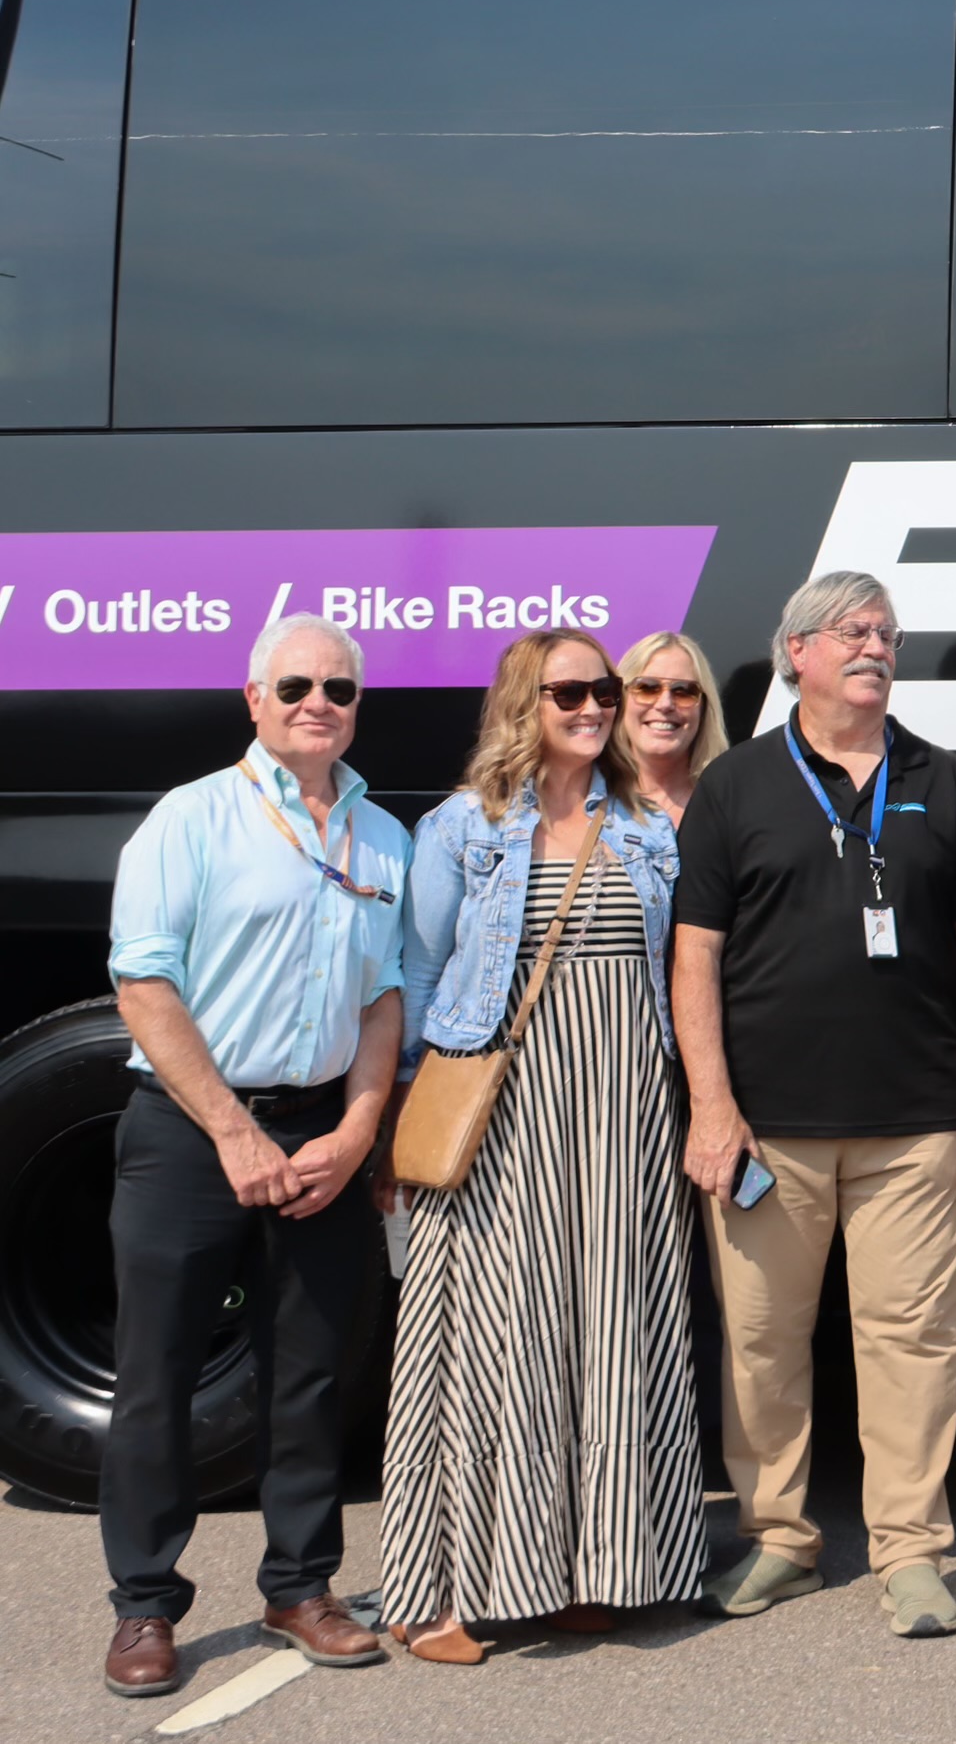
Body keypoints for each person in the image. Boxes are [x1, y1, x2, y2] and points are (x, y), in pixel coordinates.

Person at [673, 571, 956, 1640]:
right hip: (767, 1128)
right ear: (796, 654)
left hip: (917, 1126)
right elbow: (694, 959)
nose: (874, 646)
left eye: (886, 632)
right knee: (762, 1341)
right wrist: (711, 1105)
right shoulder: (735, 786)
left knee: (912, 1341)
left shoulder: (943, 782)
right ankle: (780, 1537)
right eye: (850, 631)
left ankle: (909, 1553)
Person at [99, 614, 406, 1698]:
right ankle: (144, 1607)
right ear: (253, 698)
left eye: (337, 687)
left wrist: (357, 1130)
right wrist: (232, 1131)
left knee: (311, 1378)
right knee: (158, 1381)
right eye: (295, 686)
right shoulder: (190, 820)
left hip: (321, 1129)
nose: (317, 701)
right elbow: (143, 986)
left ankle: (300, 1585)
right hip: (189, 1134)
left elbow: (384, 1000)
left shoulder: (384, 839)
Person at [384, 630, 700, 1662]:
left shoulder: (647, 824)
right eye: (571, 690)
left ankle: (585, 1566)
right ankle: (437, 1592)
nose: (596, 705)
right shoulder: (461, 828)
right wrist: (402, 1117)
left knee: (607, 1327)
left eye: (603, 688)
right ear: (525, 701)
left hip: (623, 1108)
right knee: (482, 1338)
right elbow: (419, 980)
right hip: (505, 1108)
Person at [619, 629, 728, 823]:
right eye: (647, 688)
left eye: (683, 691)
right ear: (621, 699)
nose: (665, 704)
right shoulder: (583, 802)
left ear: (704, 707)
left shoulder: (730, 805)